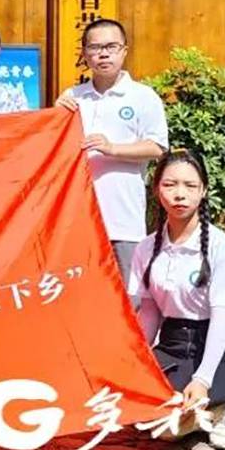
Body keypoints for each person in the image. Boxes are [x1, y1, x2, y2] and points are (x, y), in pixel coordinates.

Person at [128, 150, 225, 449]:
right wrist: (138, 361)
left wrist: (203, 380)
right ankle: (203, 414)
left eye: (190, 186)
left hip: (218, 348)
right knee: (147, 419)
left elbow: (221, 320)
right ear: (156, 189)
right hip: (172, 346)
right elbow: (150, 313)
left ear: (203, 191)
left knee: (172, 425)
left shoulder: (222, 248)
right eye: (170, 185)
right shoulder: (146, 249)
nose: (179, 194)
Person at [56, 19, 169, 279]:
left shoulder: (143, 96)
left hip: (123, 219)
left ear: (124, 51)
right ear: (84, 54)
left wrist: (112, 148)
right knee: (80, 291)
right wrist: (56, 115)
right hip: (76, 218)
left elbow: (157, 146)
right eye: (95, 47)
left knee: (128, 293)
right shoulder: (72, 96)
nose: (103, 54)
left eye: (111, 47)